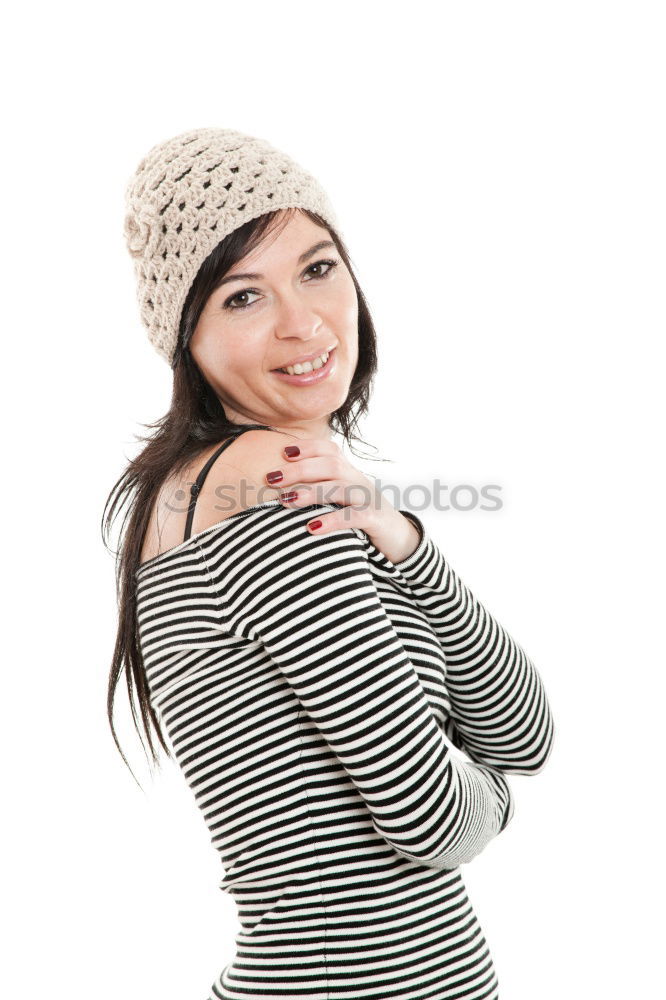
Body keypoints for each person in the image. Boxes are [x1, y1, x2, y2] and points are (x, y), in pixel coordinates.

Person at [105, 127, 555, 1000]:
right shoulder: (269, 484)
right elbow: (435, 818)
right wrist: (496, 799)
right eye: (242, 297)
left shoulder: (291, 491)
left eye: (317, 268)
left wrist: (406, 543)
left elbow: (525, 732)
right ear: (183, 337)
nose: (303, 324)